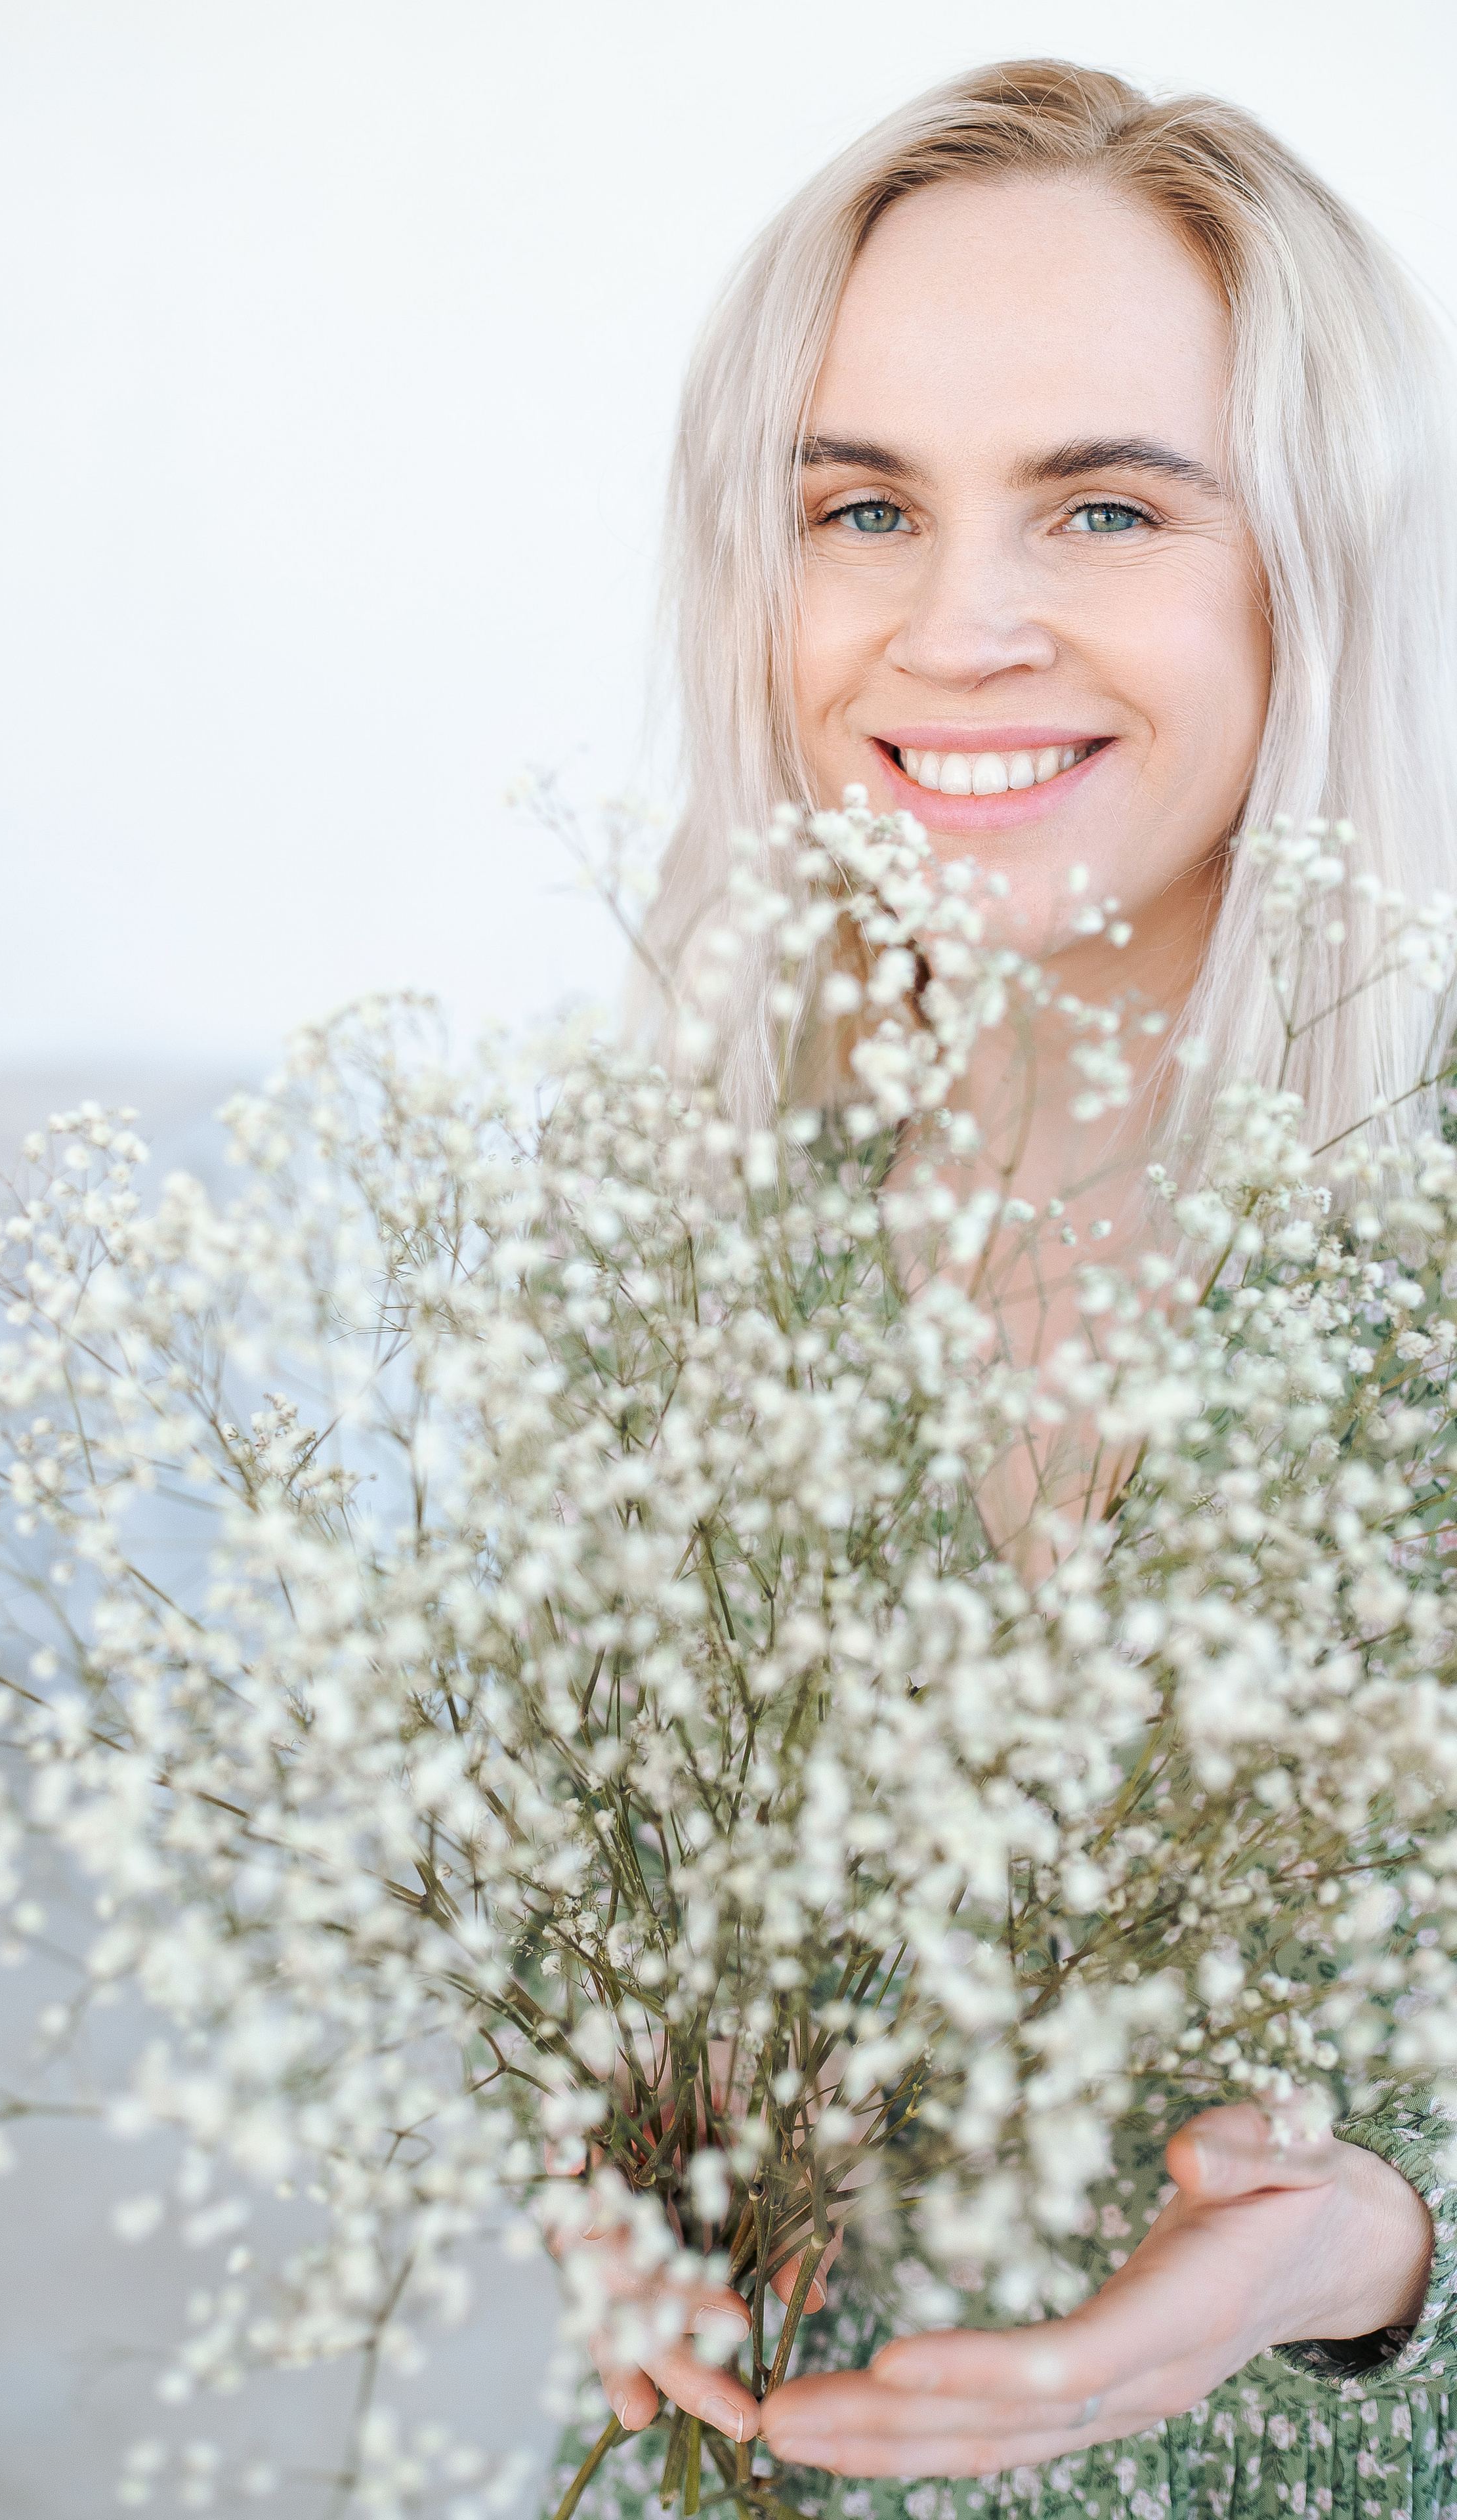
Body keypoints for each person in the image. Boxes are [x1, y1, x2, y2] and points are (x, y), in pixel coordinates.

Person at [545, 58, 1457, 2520]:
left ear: (1321, 566)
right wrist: (617, 2177)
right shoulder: (671, 1211)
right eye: (864, 506)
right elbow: (598, 1965)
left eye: (1104, 502)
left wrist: (1373, 2263)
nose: (957, 626)